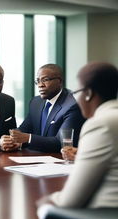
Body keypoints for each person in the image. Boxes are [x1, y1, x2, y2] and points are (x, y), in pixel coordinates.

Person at [37, 62, 118, 208]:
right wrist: (82, 154)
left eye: (76, 92)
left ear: (88, 94)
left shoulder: (99, 124)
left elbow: (68, 201)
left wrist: (45, 201)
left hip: (104, 217)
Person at [10, 64, 85, 153]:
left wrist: (28, 138)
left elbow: (61, 143)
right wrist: (11, 139)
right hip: (36, 158)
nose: (40, 85)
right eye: (38, 81)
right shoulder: (36, 102)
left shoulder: (72, 105)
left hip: (60, 159)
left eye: (45, 80)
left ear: (59, 81)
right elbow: (24, 129)